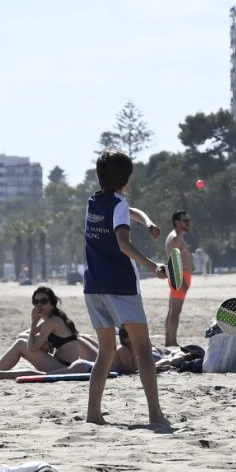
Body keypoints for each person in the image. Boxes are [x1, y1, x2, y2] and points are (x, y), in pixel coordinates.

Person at [83, 149, 170, 427]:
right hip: (120, 285)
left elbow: (128, 210)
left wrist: (147, 221)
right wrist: (151, 265)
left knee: (105, 352)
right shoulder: (118, 204)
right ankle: (155, 414)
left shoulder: (94, 201)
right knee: (143, 349)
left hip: (93, 286)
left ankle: (93, 414)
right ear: (127, 178)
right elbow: (122, 242)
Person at [0, 286, 100, 381]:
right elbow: (25, 334)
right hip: (61, 363)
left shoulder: (52, 322)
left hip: (64, 366)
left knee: (22, 344)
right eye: (36, 302)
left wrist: (34, 322)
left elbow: (31, 348)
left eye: (43, 301)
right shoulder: (53, 319)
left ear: (52, 304)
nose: (39, 305)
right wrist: (42, 342)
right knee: (22, 341)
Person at [163, 210, 195, 347]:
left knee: (172, 311)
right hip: (179, 277)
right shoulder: (175, 238)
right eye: (185, 221)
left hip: (180, 277)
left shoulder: (177, 236)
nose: (188, 223)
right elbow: (172, 260)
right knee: (175, 312)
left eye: (188, 220)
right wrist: (180, 282)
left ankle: (169, 341)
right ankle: (172, 342)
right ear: (177, 222)